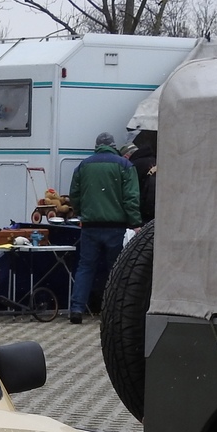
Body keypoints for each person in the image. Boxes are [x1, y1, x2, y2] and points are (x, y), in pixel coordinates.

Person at [67, 132, 141, 324]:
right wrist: (135, 223)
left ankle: (76, 309)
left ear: (96, 146)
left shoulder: (83, 166)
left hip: (90, 226)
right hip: (115, 227)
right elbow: (131, 197)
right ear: (114, 145)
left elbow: (74, 194)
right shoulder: (124, 165)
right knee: (116, 269)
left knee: (85, 267)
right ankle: (114, 312)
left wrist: (81, 212)